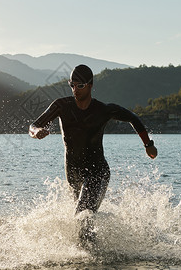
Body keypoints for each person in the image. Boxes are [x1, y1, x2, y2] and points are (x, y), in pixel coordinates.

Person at [29, 64, 157, 243]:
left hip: (98, 171)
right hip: (73, 172)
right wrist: (36, 132)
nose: (75, 90)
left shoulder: (103, 110)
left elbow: (133, 118)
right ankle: (95, 254)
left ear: (90, 85)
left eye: (79, 86)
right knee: (82, 219)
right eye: (72, 85)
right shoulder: (62, 106)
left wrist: (148, 144)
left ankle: (91, 257)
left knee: (82, 215)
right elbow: (34, 125)